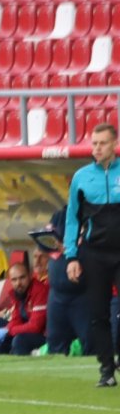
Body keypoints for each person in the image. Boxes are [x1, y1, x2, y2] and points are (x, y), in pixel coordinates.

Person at [64, 123, 120, 387]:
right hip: (95, 254)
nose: (96, 148)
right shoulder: (81, 177)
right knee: (99, 313)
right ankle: (106, 370)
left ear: (114, 144)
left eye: (102, 143)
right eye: (94, 143)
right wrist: (71, 257)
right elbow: (72, 220)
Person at [34, 210, 91, 356]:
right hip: (57, 295)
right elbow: (48, 241)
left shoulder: (96, 214)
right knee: (55, 344)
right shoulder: (60, 214)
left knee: (91, 343)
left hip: (83, 295)